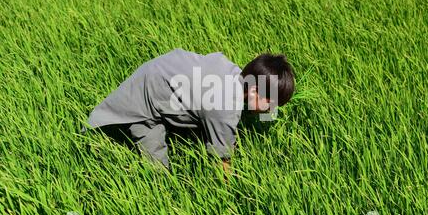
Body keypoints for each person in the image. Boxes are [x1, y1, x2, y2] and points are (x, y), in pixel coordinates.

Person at [81, 48, 295, 173]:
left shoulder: (234, 75)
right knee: (158, 170)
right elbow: (222, 158)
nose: (272, 109)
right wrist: (230, 191)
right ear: (255, 91)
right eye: (272, 103)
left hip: (160, 75)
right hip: (144, 102)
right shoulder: (224, 107)